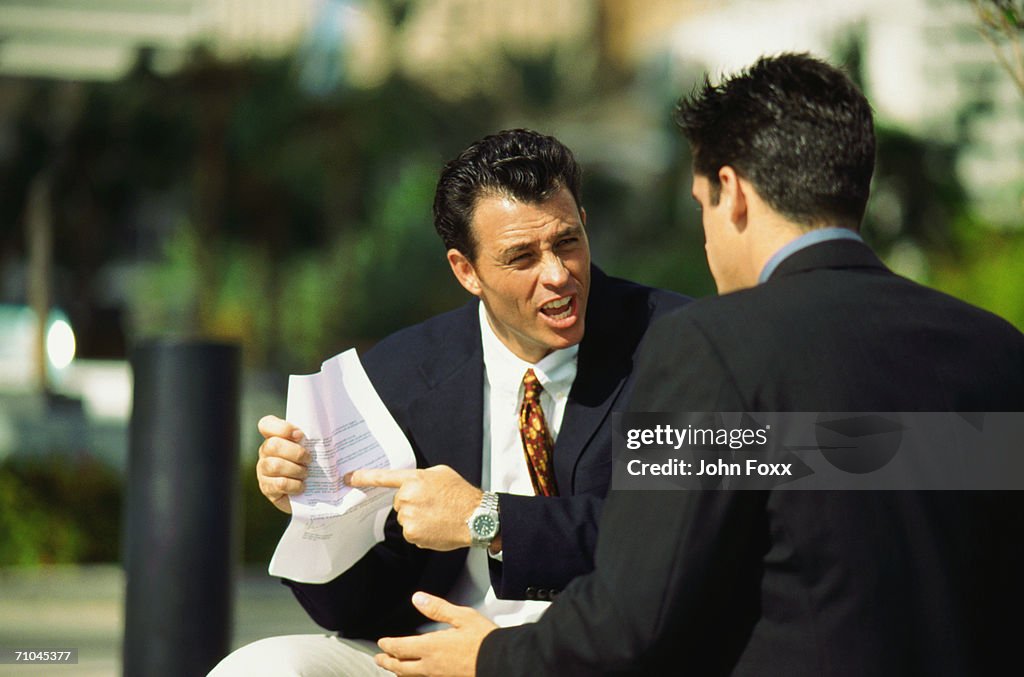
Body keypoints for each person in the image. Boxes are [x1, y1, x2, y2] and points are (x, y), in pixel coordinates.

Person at [371, 54, 1024, 676]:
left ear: (732, 194)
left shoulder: (708, 345)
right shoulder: (996, 348)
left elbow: (633, 612)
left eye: (700, 204)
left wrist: (491, 659)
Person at [209, 129, 688, 675]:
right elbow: (352, 611)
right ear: (466, 271)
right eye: (521, 257)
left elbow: (668, 536)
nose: (557, 275)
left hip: (596, 656)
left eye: (567, 242)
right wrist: (309, 509)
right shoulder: (398, 374)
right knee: (262, 667)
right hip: (433, 653)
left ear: (584, 220)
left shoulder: (677, 344)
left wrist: (487, 518)